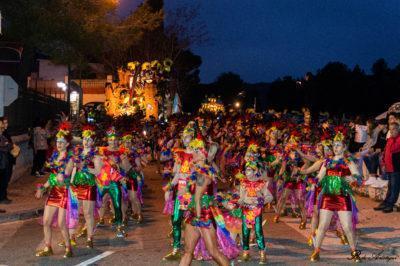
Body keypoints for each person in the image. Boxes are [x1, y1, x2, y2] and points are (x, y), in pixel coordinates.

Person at [310, 128, 362, 262]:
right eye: (334, 145)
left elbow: (358, 176)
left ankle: (354, 251)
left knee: (347, 227)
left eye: (338, 145)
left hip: (342, 198)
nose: (335, 147)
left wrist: (354, 178)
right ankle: (317, 250)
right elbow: (320, 176)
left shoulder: (347, 161)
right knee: (322, 226)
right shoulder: (327, 161)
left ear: (344, 147)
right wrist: (313, 182)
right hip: (327, 198)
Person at [35, 122, 75, 258]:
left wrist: (62, 175)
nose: (59, 144)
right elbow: (52, 177)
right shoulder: (53, 157)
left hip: (63, 192)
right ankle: (48, 247)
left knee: (61, 223)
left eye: (62, 142)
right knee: (46, 221)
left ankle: (69, 248)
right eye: (58, 141)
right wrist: (42, 187)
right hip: (53, 193)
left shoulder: (70, 158)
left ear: (67, 144)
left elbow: (67, 175)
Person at [374, 122, 400, 213]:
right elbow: (386, 152)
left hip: (396, 168)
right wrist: (384, 164)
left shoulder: (398, 139)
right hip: (389, 167)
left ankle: (390, 204)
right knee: (390, 186)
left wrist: (392, 139)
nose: (391, 131)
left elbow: (393, 149)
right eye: (390, 129)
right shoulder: (390, 139)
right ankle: (386, 202)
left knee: (394, 187)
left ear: (398, 130)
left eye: (394, 129)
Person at [0, 119, 12, 204]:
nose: (4, 126)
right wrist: (7, 145)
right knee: (3, 180)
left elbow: (8, 146)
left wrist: (7, 145)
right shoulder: (2, 136)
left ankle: (3, 197)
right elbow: (5, 147)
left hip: (4, 160)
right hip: (2, 161)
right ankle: (2, 198)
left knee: (4, 180)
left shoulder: (3, 135)